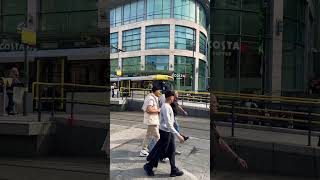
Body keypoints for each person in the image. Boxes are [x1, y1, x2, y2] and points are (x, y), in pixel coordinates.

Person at [144, 90, 185, 177]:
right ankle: (149, 166)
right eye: (174, 96)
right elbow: (169, 124)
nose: (175, 98)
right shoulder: (166, 107)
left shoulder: (167, 106)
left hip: (168, 132)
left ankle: (173, 169)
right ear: (171, 97)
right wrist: (179, 135)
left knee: (172, 150)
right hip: (165, 133)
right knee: (161, 151)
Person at [211, 95, 248, 172]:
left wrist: (236, 158)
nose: (217, 104)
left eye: (216, 102)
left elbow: (220, 141)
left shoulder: (211, 123)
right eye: (214, 102)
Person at [140, 86, 162, 157]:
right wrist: (158, 110)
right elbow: (149, 109)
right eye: (159, 91)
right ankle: (161, 153)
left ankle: (144, 150)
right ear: (155, 91)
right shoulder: (151, 99)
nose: (160, 92)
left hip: (152, 120)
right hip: (152, 121)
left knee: (148, 135)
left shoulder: (151, 97)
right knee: (157, 136)